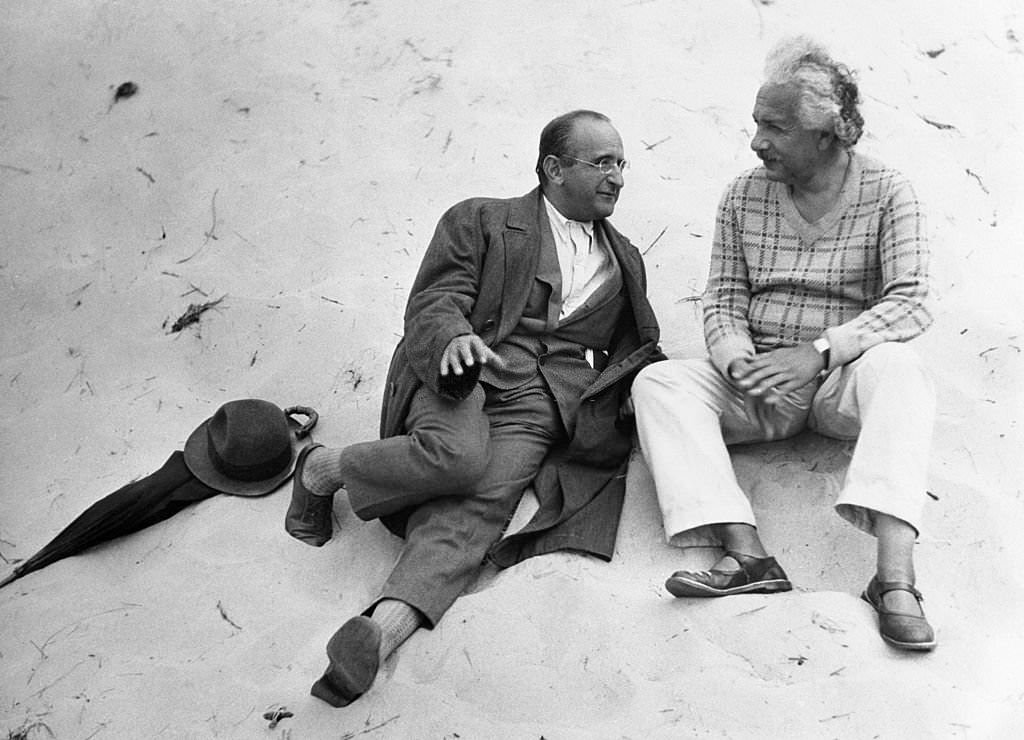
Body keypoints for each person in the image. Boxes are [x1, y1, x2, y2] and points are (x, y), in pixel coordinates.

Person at [285, 110, 664, 706]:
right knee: (457, 456)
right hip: (460, 374)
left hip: (541, 403)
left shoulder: (628, 259)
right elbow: (435, 300)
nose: (618, 176)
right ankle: (324, 469)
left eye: (622, 164)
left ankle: (378, 634)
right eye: (602, 163)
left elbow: (634, 351)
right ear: (554, 168)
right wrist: (453, 340)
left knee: (479, 509)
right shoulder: (481, 219)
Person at [631, 37, 937, 651]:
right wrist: (738, 361)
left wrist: (819, 353)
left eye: (775, 127)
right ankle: (746, 556)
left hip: (838, 382)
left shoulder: (889, 191)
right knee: (657, 383)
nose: (756, 141)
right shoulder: (744, 193)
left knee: (901, 368)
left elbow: (911, 302)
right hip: (759, 385)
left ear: (827, 134)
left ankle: (895, 578)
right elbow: (721, 298)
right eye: (756, 123)